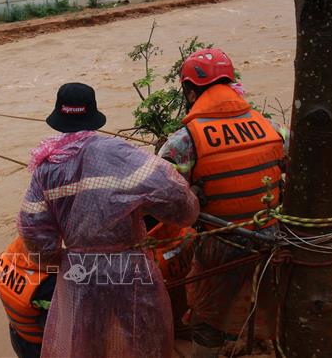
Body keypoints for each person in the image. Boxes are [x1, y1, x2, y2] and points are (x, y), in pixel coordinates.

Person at [18, 82, 199, 357]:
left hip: (79, 272)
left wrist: (60, 259)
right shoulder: (118, 152)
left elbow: (34, 233)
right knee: (142, 335)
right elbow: (173, 194)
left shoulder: (45, 167)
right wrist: (186, 213)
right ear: (93, 114)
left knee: (86, 340)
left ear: (59, 118)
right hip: (131, 266)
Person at [158, 48, 287, 357]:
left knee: (206, 317)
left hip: (221, 244)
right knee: (275, 303)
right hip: (275, 238)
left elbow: (163, 199)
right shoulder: (269, 127)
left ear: (190, 91)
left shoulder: (184, 141)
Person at [0, 237, 56, 358]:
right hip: (40, 347)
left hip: (17, 337)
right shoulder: (48, 284)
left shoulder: (2, 258)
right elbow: (55, 329)